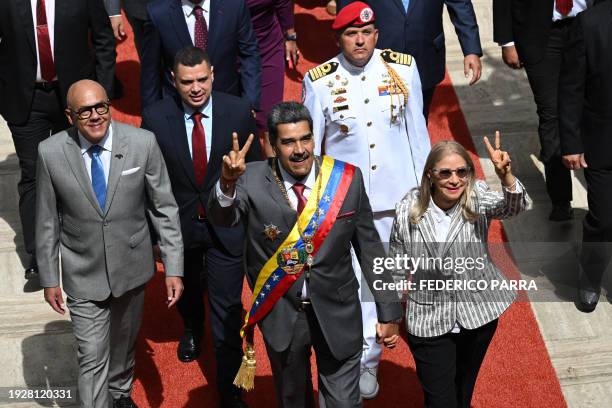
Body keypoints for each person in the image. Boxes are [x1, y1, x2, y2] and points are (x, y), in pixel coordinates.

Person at [208, 102, 402, 407]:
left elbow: (371, 249)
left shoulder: (347, 180)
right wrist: (227, 182)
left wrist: (388, 311)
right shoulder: (250, 179)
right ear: (272, 145)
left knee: (343, 403)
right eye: (288, 142)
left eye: (306, 139)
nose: (300, 150)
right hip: (283, 315)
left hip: (338, 311)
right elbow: (221, 220)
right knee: (293, 400)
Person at [302, 2, 430, 399]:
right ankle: (365, 358)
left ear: (377, 34)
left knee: (393, 278)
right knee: (358, 283)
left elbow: (417, 134)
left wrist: (428, 195)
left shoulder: (402, 68)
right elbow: (314, 147)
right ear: (338, 38)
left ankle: (375, 352)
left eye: (367, 33)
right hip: (347, 203)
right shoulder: (319, 81)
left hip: (397, 196)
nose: (360, 41)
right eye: (351, 35)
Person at [35, 80, 184, 408]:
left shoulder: (142, 143)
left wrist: (173, 267)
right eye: (84, 111)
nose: (95, 116)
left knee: (122, 347)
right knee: (92, 357)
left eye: (100, 107)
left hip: (131, 270)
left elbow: (164, 208)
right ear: (70, 116)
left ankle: (119, 394)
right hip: (82, 272)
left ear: (109, 106)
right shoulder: (51, 152)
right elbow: (47, 221)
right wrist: (49, 278)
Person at [141, 46, 261, 408]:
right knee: (189, 292)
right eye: (187, 82)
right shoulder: (156, 117)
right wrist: (154, 237)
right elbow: (148, 184)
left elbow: (254, 171)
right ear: (173, 81)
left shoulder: (238, 111)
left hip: (227, 227)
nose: (196, 88)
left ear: (213, 76)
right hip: (178, 229)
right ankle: (192, 325)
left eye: (202, 80)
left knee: (226, 310)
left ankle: (230, 390)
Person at [389, 135, 531, 408]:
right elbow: (396, 264)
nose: (454, 180)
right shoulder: (409, 209)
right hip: (428, 317)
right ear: (430, 175)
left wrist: (506, 177)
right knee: (440, 399)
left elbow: (515, 207)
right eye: (445, 172)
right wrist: (390, 314)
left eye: (461, 172)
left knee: (462, 392)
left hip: (478, 315)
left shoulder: (477, 196)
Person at [0, 0, 115, 280]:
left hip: (77, 100)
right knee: (33, 174)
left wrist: (101, 94)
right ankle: (40, 256)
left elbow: (103, 40)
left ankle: (90, 246)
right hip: (26, 101)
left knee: (82, 168)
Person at [492, 0, 597, 221]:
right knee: (551, 114)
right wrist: (507, 40)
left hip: (589, 24)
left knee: (592, 109)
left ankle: (599, 196)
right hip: (540, 33)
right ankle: (560, 199)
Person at [337, 0, 483, 119]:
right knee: (379, 121)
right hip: (377, 58)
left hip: (425, 54)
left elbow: (460, 3)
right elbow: (347, 11)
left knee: (419, 118)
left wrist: (471, 50)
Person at [558, 0, 612, 312]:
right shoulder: (589, 23)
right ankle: (591, 275)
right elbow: (570, 88)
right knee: (604, 218)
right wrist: (571, 143)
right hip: (602, 143)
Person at [140, 0, 261, 111]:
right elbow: (150, 70)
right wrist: (151, 114)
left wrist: (250, 102)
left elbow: (249, 54)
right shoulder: (158, 13)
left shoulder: (234, 6)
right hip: (178, 108)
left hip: (226, 104)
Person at [246, 0, 299, 156]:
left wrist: (290, 37)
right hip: (230, 50)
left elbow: (283, 2)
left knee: (270, 119)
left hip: (267, 45)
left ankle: (274, 175)